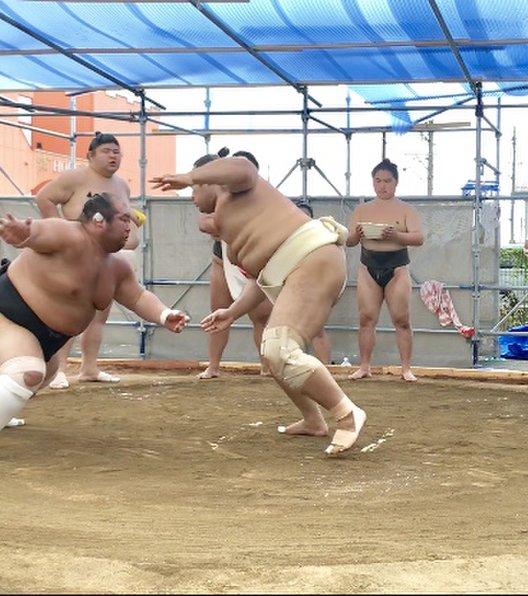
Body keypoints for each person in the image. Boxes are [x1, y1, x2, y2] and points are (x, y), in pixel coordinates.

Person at [150, 155, 366, 456]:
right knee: (272, 350)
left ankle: (347, 414)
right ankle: (312, 420)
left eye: (194, 190)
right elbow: (264, 276)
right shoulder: (232, 222)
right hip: (295, 267)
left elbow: (242, 166)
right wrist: (233, 311)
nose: (192, 199)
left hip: (313, 258)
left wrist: (190, 176)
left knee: (280, 348)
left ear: (209, 179)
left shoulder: (236, 186)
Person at [0, 192, 189, 431]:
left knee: (44, 374)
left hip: (47, 339)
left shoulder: (117, 266)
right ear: (99, 221)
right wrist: (23, 234)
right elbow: (37, 232)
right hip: (9, 316)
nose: (129, 226)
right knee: (27, 373)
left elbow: (137, 296)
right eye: (123, 219)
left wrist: (164, 314)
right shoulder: (67, 234)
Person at [35, 132, 145, 389]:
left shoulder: (122, 185)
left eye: (117, 152)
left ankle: (89, 367)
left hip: (109, 257)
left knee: (99, 314)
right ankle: (59, 369)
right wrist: (62, 231)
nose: (113, 156)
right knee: (70, 312)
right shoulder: (75, 177)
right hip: (78, 255)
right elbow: (45, 198)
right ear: (91, 155)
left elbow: (128, 216)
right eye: (106, 151)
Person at [346, 158, 424, 382]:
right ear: (373, 183)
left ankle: (406, 368)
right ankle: (364, 366)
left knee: (402, 319)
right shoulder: (362, 209)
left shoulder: (406, 209)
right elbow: (349, 241)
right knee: (366, 318)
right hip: (368, 266)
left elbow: (419, 238)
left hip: (397, 267)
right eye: (378, 181)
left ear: (396, 183)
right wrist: (357, 235)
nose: (383, 185)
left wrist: (397, 236)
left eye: (387, 181)